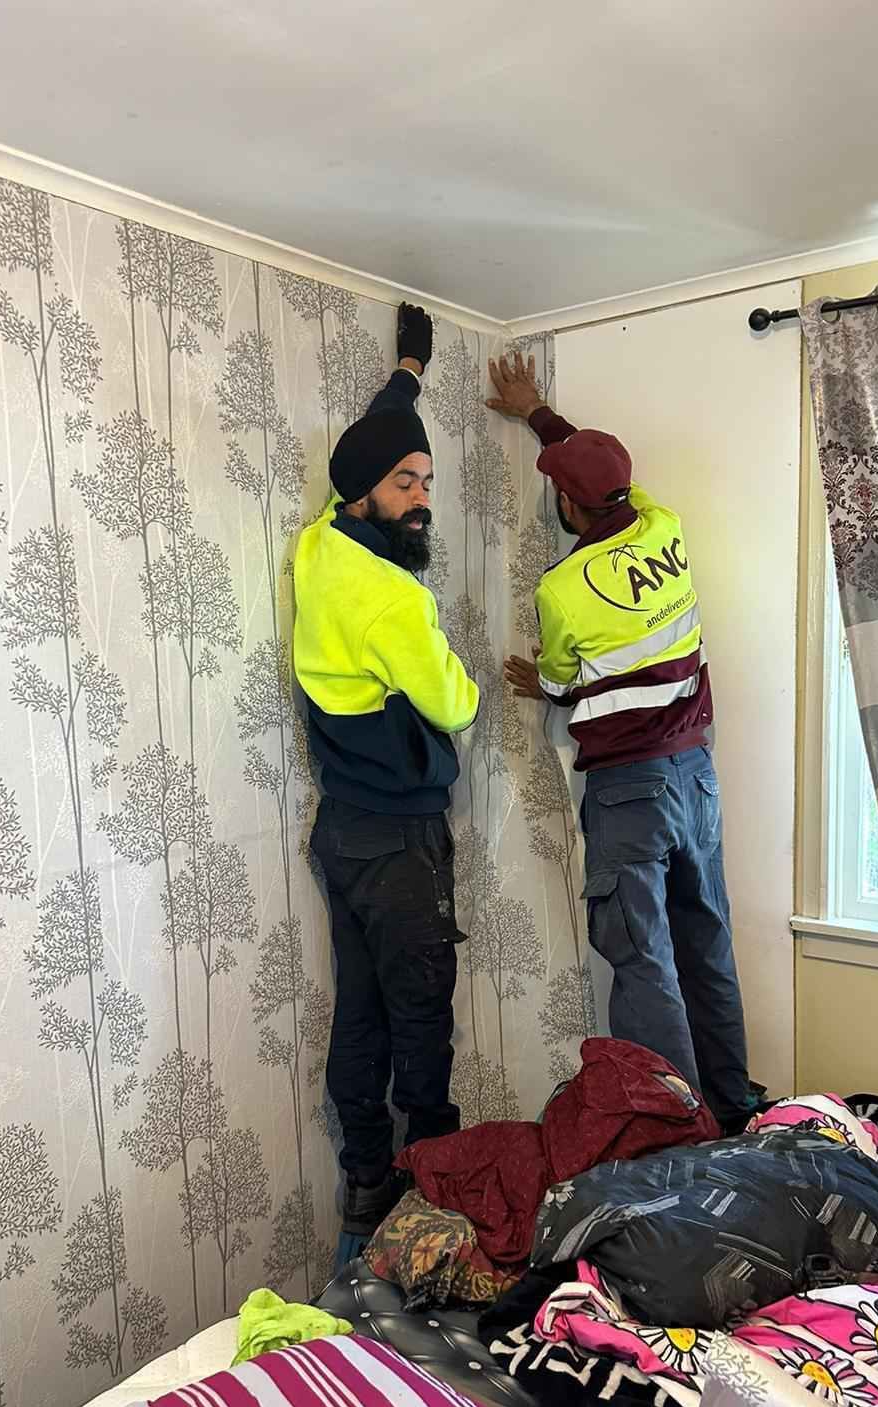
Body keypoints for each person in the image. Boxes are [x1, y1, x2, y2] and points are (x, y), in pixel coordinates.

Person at [489, 352, 755, 1132]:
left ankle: (681, 1135)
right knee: (705, 941)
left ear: (569, 507)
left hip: (629, 792)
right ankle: (736, 1109)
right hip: (694, 772)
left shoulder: (563, 587)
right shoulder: (662, 524)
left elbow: (567, 680)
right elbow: (608, 482)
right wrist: (542, 418)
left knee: (644, 963)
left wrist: (541, 681)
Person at [294, 303, 479, 1257]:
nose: (421, 498)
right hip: (401, 837)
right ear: (367, 490)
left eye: (428, 481)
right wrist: (454, 658)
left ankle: (367, 1183)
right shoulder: (393, 598)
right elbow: (457, 706)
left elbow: (371, 445)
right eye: (406, 484)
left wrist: (408, 371)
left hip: (342, 830)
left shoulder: (322, 542)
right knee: (421, 1012)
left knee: (361, 1009)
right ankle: (433, 1203)